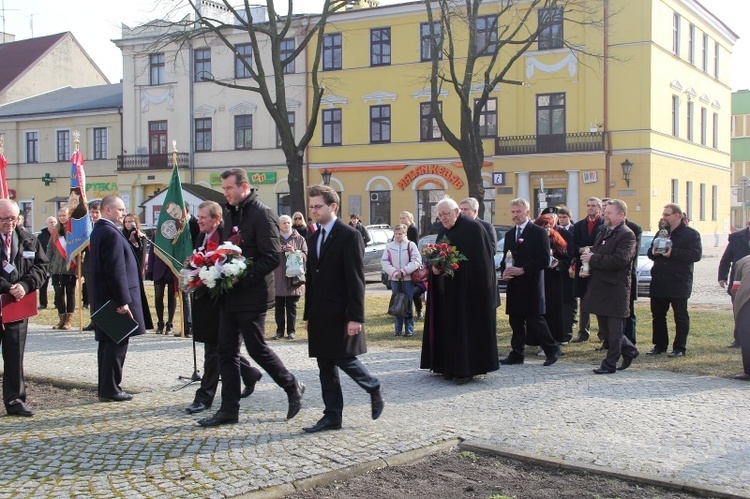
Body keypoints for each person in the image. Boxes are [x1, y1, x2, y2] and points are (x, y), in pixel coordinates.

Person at [197, 168, 304, 427]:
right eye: (223, 189)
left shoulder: (263, 214)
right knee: (226, 352)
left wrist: (240, 277)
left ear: (243, 187)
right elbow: (225, 251)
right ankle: (229, 410)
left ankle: (291, 385)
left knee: (257, 349)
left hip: (253, 295)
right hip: (229, 296)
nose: (226, 193)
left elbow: (271, 257)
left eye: (229, 189)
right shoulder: (230, 213)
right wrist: (213, 270)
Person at [303, 184, 384, 432]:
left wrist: (355, 317)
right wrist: (307, 314)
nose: (314, 210)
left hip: (340, 311)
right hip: (319, 312)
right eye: (312, 206)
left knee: (343, 357)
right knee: (324, 365)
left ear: (333, 206)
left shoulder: (350, 235)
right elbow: (312, 279)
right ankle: (332, 415)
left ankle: (372, 385)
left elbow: (356, 278)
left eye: (318, 206)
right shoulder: (313, 237)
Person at [186, 200, 263, 414]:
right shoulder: (202, 235)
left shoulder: (225, 236)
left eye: (203, 217)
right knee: (222, 348)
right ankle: (249, 373)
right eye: (198, 216)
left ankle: (204, 397)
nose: (199, 220)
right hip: (206, 298)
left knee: (214, 349)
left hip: (222, 301)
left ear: (216, 219)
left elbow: (229, 266)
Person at [420, 197, 499, 383]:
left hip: (468, 293)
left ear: (457, 212)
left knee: (465, 330)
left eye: (446, 214)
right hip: (446, 292)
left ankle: (466, 369)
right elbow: (436, 259)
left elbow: (481, 265)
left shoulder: (474, 229)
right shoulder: (442, 232)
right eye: (440, 215)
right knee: (447, 328)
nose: (443, 218)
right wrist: (436, 268)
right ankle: (446, 365)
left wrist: (456, 267)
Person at [89, 195, 153, 402]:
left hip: (106, 297)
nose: (124, 214)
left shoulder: (100, 230)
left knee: (108, 344)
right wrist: (123, 301)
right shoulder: (110, 233)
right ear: (108, 210)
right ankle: (111, 389)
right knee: (116, 345)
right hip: (115, 300)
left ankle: (106, 387)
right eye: (120, 210)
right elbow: (115, 270)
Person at [0, 199, 48, 416]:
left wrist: (25, 285)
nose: (9, 223)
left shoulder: (29, 239)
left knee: (14, 356)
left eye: (13, 218)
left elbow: (42, 267)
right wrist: (8, 287)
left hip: (17, 308)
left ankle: (15, 400)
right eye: (4, 219)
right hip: (3, 296)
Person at [499, 198, 561, 367]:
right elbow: (506, 258)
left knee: (535, 319)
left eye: (518, 211)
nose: (515, 215)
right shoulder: (510, 234)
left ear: (527, 212)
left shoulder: (538, 232)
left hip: (532, 283)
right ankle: (517, 353)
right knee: (515, 320)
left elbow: (544, 260)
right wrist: (505, 269)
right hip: (514, 284)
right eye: (512, 212)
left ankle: (552, 349)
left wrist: (523, 270)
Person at [580, 199, 639, 374]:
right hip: (599, 286)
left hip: (615, 288)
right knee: (605, 329)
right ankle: (629, 350)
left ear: (621, 215)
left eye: (609, 212)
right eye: (605, 212)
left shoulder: (627, 234)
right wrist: (589, 254)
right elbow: (599, 251)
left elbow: (620, 260)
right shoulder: (604, 231)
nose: (605, 214)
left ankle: (610, 363)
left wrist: (593, 259)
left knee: (614, 329)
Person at [647, 203, 702, 358]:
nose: (663, 217)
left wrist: (673, 253)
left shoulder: (691, 234)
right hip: (659, 279)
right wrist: (652, 252)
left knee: (680, 316)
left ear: (677, 215)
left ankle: (679, 347)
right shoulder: (661, 232)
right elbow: (652, 252)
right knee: (657, 315)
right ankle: (659, 345)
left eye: (667, 214)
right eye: (663, 214)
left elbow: (695, 255)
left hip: (679, 280)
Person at [533, 214, 572, 344]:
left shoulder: (556, 239)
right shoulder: (533, 239)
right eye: (544, 227)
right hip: (538, 279)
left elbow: (566, 259)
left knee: (553, 311)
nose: (547, 230)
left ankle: (554, 339)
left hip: (553, 280)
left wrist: (558, 264)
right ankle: (539, 340)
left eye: (549, 227)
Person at [570, 197, 604, 343]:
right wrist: (580, 249)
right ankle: (583, 333)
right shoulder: (578, 226)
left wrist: (593, 252)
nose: (590, 208)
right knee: (583, 300)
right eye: (588, 205)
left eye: (594, 206)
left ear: (600, 208)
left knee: (600, 300)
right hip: (582, 267)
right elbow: (571, 245)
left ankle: (603, 334)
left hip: (598, 267)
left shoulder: (604, 225)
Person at [381, 224, 421, 337]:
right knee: (397, 303)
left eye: (400, 234)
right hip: (395, 279)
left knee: (407, 303)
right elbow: (385, 262)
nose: (398, 236)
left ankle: (409, 329)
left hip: (407, 279)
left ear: (405, 234)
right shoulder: (389, 246)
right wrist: (394, 272)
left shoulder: (410, 245)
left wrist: (403, 271)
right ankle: (397, 329)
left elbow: (416, 260)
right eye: (396, 234)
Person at [272, 214, 308, 340]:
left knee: (292, 306)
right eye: (284, 223)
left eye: (288, 222)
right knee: (279, 306)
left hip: (294, 277)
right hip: (278, 277)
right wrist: (279, 250)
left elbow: (305, 256)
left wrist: (295, 252)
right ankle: (279, 331)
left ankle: (291, 331)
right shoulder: (274, 238)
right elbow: (268, 254)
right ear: (279, 225)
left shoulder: (300, 239)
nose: (286, 225)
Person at [718, 219, 750, 348]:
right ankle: (739, 339)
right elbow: (726, 258)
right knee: (740, 310)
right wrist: (722, 277)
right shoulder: (736, 237)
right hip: (739, 280)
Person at [47, 207, 76, 330]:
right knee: (59, 294)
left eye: (64, 215)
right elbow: (49, 250)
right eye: (60, 215)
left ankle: (68, 320)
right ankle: (61, 319)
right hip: (56, 268)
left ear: (69, 216)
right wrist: (49, 265)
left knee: (70, 293)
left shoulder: (74, 230)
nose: (62, 217)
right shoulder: (55, 231)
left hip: (70, 267)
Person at [146, 233, 177, 335]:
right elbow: (151, 252)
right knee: (158, 297)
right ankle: (160, 323)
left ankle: (170, 324)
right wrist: (150, 270)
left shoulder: (177, 232)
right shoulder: (156, 234)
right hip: (158, 269)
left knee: (171, 297)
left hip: (171, 269)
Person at [729, 254, 750, 381]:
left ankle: (748, 371)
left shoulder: (743, 261)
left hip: (747, 300)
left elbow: (735, 287)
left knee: (747, 335)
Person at [81, 201, 101, 331]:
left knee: (101, 295)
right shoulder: (86, 227)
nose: (93, 215)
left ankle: (101, 321)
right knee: (91, 294)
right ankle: (94, 320)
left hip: (101, 265)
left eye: (96, 212)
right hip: (89, 265)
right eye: (92, 212)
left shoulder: (104, 226)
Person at [36, 216, 56, 310]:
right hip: (44, 262)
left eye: (54, 222)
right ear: (46, 224)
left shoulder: (59, 234)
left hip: (56, 263)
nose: (53, 224)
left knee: (57, 284)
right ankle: (43, 303)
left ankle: (57, 303)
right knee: (43, 284)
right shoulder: (41, 236)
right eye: (51, 222)